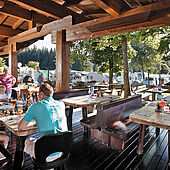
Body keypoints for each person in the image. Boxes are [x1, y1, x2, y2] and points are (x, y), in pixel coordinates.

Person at [18, 83, 68, 160]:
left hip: (46, 154)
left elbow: (21, 127)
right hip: (63, 150)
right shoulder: (61, 104)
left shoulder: (36, 105)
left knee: (25, 141)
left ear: (41, 94)